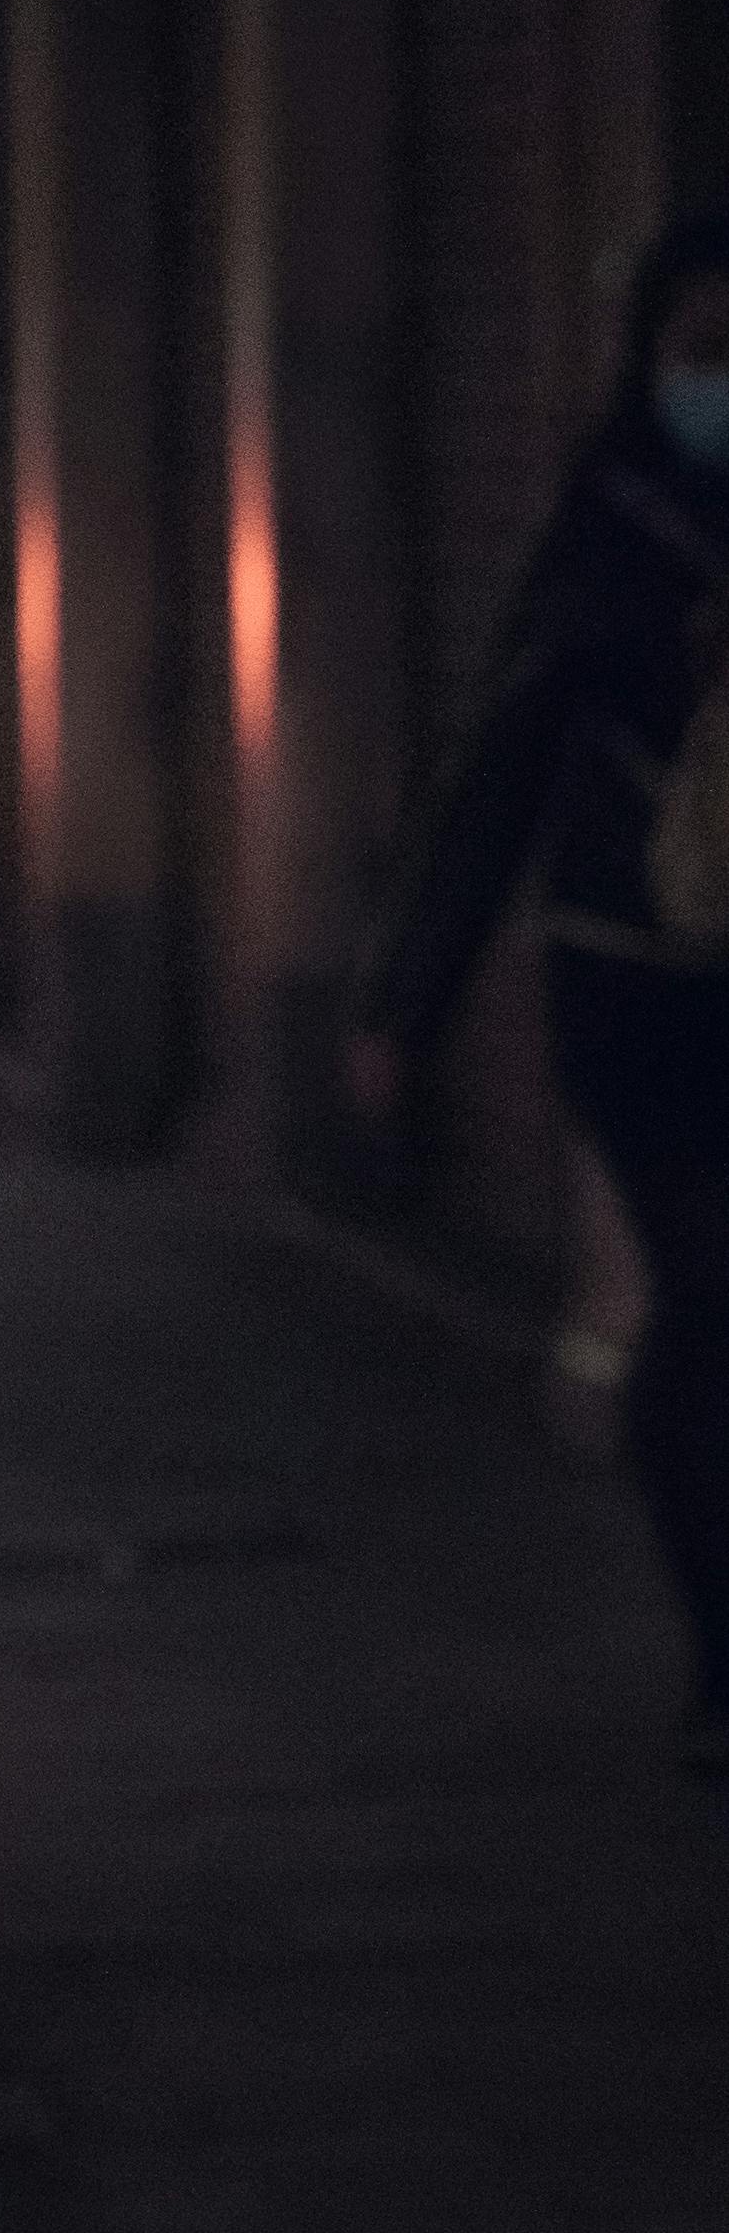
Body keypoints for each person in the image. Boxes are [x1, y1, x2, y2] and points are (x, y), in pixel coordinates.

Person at [349, 210, 729, 1756]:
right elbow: (499, 769)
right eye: (705, 350)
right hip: (635, 979)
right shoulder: (609, 519)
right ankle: (722, 1653)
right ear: (649, 358)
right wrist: (403, 1003)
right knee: (708, 1296)